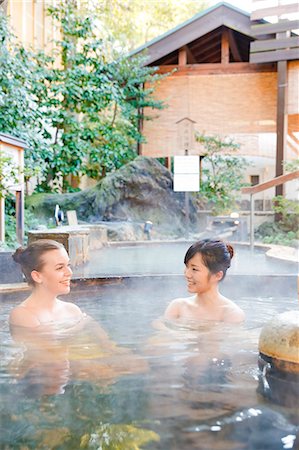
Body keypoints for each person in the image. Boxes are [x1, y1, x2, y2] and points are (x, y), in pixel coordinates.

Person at [164, 239, 245, 324]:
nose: (187, 274)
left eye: (194, 269)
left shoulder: (231, 314)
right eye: (187, 267)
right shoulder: (178, 307)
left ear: (217, 275)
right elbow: (161, 334)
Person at [9, 239, 83, 328]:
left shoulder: (72, 310)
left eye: (68, 265)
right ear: (37, 276)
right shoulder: (22, 315)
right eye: (59, 268)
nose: (69, 272)